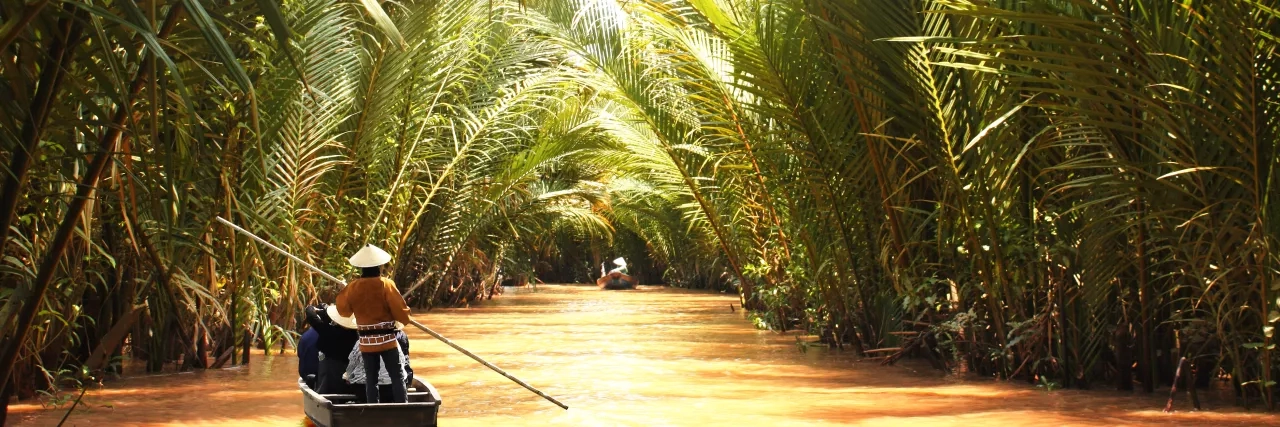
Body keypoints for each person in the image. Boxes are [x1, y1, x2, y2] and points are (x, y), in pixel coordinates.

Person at [336, 244, 413, 404]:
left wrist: (344, 291)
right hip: (387, 341)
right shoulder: (386, 284)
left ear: (362, 268)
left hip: (366, 342)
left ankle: (373, 409)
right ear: (379, 266)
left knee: (371, 379)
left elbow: (344, 311)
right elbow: (401, 312)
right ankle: (403, 409)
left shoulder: (353, 287)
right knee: (397, 376)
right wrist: (405, 318)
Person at [303, 303, 360, 394]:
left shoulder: (330, 331)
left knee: (325, 383)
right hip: (346, 373)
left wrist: (311, 308)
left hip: (330, 371)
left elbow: (312, 317)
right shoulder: (355, 335)